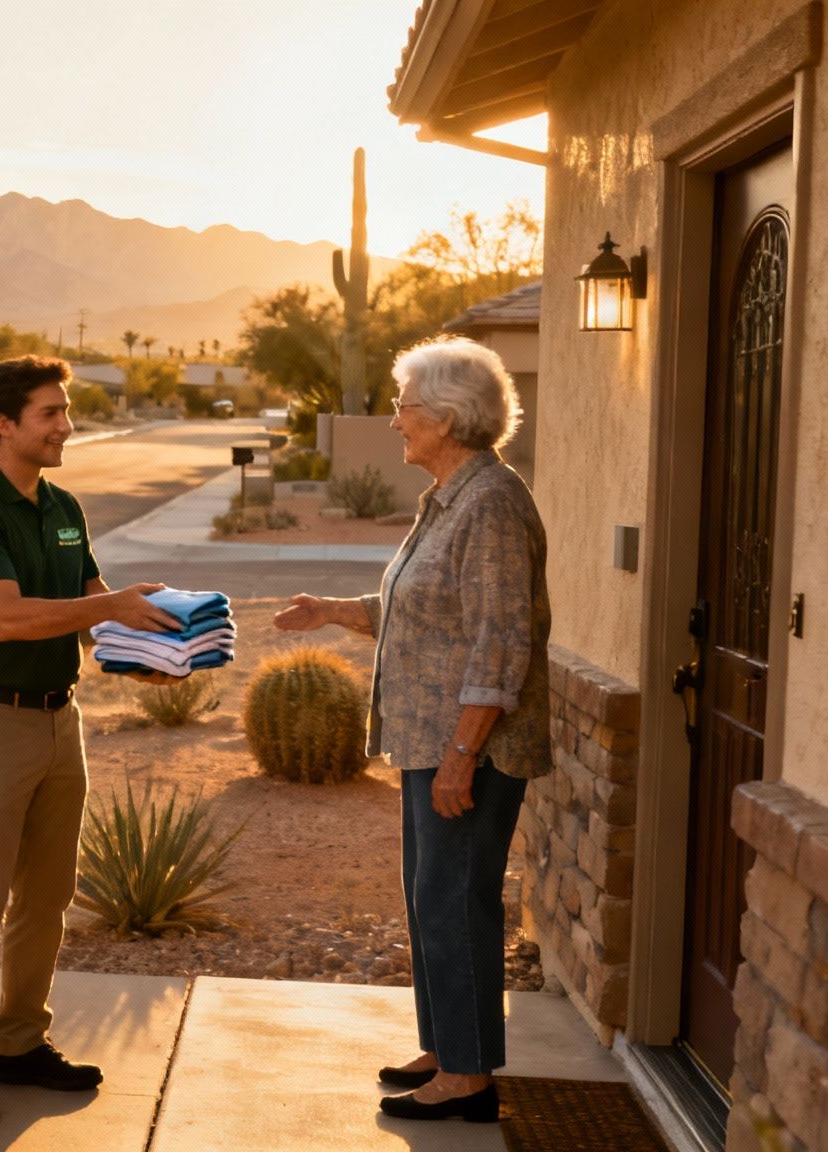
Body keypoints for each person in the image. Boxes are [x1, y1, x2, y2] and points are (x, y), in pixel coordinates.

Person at [273, 336, 551, 1125]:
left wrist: (464, 754)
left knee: (456, 902)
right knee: (431, 898)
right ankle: (446, 1045)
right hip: (431, 741)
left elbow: (501, 641)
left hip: (468, 746)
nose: (394, 421)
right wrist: (332, 611)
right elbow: (423, 611)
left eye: (406, 407)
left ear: (450, 419)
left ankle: (468, 1080)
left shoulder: (491, 503)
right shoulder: (450, 498)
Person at [0, 355, 180, 1122]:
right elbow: (6, 615)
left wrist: (149, 660)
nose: (67, 425)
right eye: (50, 414)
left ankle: (21, 1044)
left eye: (66, 412)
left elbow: (91, 604)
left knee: (47, 898)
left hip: (60, 721)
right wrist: (112, 609)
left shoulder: (63, 506)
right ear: (4, 424)